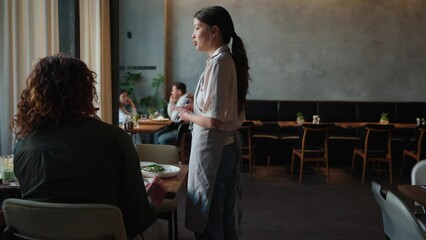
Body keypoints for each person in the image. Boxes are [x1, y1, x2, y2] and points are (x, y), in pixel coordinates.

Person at [11, 53, 162, 240]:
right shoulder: (114, 139)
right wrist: (153, 201)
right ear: (85, 91)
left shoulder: (23, 148)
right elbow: (138, 220)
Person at [177, 6, 250, 240]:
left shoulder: (219, 62)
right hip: (225, 149)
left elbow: (214, 120)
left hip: (215, 152)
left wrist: (186, 115)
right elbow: (214, 110)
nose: (193, 35)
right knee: (223, 220)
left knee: (210, 220)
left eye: (197, 28)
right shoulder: (222, 60)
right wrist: (195, 109)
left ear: (215, 31)